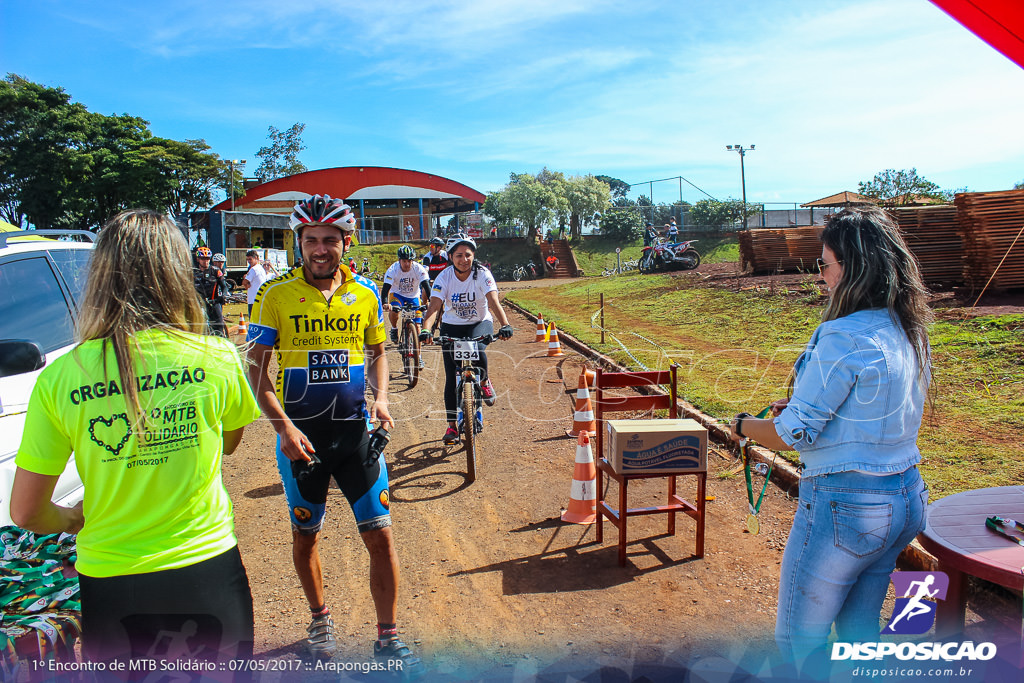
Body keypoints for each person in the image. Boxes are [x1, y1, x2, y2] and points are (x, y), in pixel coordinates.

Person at [11, 209, 260, 668]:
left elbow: (26, 511)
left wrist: (71, 521)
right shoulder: (219, 358)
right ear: (176, 272)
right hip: (205, 564)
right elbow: (228, 443)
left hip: (111, 576)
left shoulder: (61, 378)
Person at [726, 206, 932, 668]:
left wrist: (740, 426)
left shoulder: (841, 335)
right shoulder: (908, 329)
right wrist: (801, 408)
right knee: (860, 631)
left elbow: (788, 434)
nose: (820, 275)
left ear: (851, 267)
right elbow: (870, 411)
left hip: (848, 505)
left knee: (799, 643)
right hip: (905, 497)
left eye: (824, 264)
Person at [245, 195, 421, 671]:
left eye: (329, 240)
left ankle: (388, 634)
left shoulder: (365, 294)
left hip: (355, 433)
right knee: (307, 536)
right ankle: (320, 619)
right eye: (310, 240)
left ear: (347, 242)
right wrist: (282, 427)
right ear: (298, 243)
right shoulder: (273, 295)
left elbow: (379, 351)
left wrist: (381, 398)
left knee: (381, 536)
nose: (320, 249)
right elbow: (255, 370)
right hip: (301, 440)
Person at [419, 237, 514, 444]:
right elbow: (434, 307)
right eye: (459, 255)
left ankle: (484, 380)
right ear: (450, 256)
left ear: (474, 256)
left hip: (479, 323)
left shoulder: (482, 274)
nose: (464, 259)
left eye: (468, 255)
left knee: (478, 350)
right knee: (451, 376)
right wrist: (426, 330)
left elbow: (493, 301)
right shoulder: (444, 277)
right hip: (451, 325)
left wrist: (504, 324)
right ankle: (451, 427)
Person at [381, 245, 431, 350]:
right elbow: (386, 288)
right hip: (397, 295)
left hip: (413, 296)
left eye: (409, 261)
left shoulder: (418, 268)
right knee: (394, 310)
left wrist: (431, 300)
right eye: (404, 261)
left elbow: (426, 285)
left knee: (418, 327)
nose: (407, 264)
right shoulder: (393, 269)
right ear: (399, 260)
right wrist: (385, 303)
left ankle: (419, 356)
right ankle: (394, 328)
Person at [194, 246, 228, 336]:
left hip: (214, 302)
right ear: (198, 259)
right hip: (199, 304)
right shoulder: (193, 272)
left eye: (207, 258)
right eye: (203, 259)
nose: (206, 261)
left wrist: (223, 296)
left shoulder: (215, 271)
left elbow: (224, 286)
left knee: (218, 326)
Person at [242, 249, 271, 317]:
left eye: (250, 259)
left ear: (256, 258)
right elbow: (246, 284)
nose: (249, 261)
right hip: (260, 298)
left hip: (253, 300)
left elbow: (244, 282)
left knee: (253, 320)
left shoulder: (254, 269)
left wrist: (245, 280)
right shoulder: (260, 268)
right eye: (247, 260)